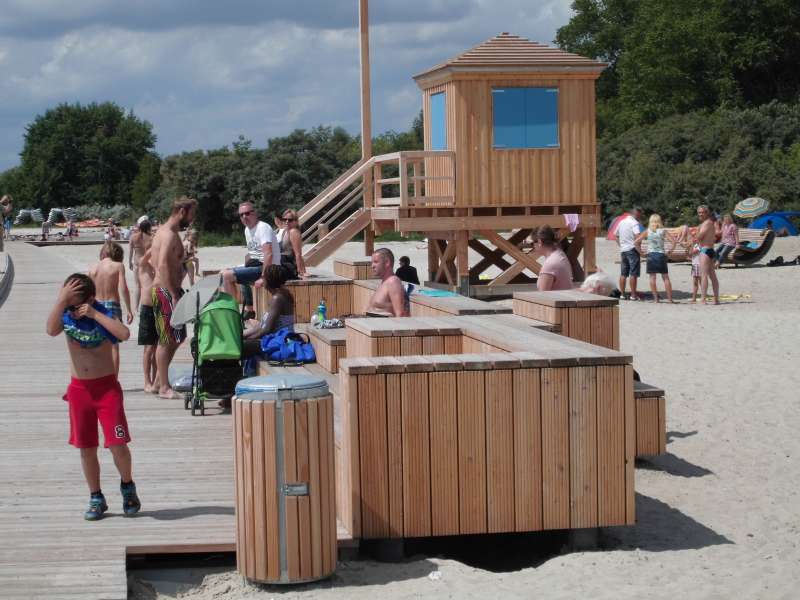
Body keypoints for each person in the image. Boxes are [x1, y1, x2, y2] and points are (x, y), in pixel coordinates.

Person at [45, 273, 141, 521]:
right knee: (86, 447)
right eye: (67, 300)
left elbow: (124, 334)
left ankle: (127, 486)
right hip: (79, 392)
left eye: (74, 301)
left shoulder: (103, 312)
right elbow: (50, 330)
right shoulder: (64, 315)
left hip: (106, 390)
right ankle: (96, 496)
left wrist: (94, 314)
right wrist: (61, 300)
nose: (70, 306)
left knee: (118, 443)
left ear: (88, 298)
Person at [150, 196, 197, 399]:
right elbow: (160, 265)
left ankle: (157, 381)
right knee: (167, 338)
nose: (192, 220)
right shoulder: (168, 234)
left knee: (178, 336)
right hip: (166, 292)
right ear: (182, 212)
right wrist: (172, 292)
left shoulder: (165, 232)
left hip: (169, 290)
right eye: (191, 214)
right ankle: (163, 387)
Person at [221, 202, 280, 320]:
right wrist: (244, 267)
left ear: (255, 213)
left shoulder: (262, 227)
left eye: (247, 213)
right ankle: (249, 309)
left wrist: (264, 277)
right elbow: (252, 254)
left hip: (270, 267)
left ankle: (233, 315)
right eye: (241, 214)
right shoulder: (247, 230)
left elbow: (268, 254)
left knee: (226, 276)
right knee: (224, 272)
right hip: (256, 264)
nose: (244, 217)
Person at [89, 242, 134, 374]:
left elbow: (87, 290)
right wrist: (129, 309)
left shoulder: (92, 268)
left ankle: (97, 377)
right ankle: (113, 380)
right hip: (112, 306)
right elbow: (123, 288)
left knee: (96, 344)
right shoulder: (118, 266)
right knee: (114, 347)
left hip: (96, 307)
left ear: (103, 252)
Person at [241, 265, 296, 358]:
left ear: (269, 280)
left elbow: (267, 330)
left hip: (280, 341)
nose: (262, 279)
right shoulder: (281, 294)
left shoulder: (277, 299)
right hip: (276, 338)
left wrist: (249, 339)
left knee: (240, 346)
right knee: (238, 341)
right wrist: (243, 335)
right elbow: (262, 326)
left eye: (263, 277)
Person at [636, 214, 674, 303]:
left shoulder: (647, 231)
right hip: (661, 255)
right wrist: (669, 251)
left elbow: (636, 242)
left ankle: (656, 299)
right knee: (665, 278)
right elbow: (674, 242)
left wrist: (641, 253)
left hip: (651, 255)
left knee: (652, 278)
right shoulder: (663, 231)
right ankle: (670, 299)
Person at [137, 249, 158, 393]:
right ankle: (147, 381)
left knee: (158, 348)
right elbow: (143, 259)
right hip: (147, 308)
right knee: (149, 348)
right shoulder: (144, 265)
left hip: (160, 307)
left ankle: (157, 379)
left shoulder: (160, 266)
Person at [367, 248, 409, 317]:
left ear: (387, 262)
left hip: (383, 326)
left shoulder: (393, 282)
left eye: (376, 262)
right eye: (372, 262)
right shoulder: (385, 282)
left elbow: (400, 314)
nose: (372, 266)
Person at [532, 225, 573, 291]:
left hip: (556, 300)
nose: (533, 246)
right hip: (564, 298)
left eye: (532, 243)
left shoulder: (550, 264)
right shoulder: (560, 254)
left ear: (539, 242)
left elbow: (543, 295)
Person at [694, 205, 720, 305]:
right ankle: (716, 299)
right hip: (710, 250)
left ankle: (703, 299)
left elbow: (700, 237)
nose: (700, 214)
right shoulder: (708, 223)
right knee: (712, 276)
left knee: (704, 275)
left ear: (707, 213)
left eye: (702, 212)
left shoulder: (707, 223)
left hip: (705, 250)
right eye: (699, 212)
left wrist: (695, 237)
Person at [615, 207, 643, 300]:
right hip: (632, 250)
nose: (641, 217)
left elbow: (616, 235)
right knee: (633, 273)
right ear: (637, 213)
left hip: (623, 250)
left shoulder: (621, 222)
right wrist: (641, 252)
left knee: (623, 273)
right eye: (640, 214)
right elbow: (637, 237)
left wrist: (621, 245)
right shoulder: (634, 223)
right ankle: (633, 295)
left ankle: (622, 294)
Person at [128, 218, 153, 312]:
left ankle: (136, 308)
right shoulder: (151, 237)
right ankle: (149, 305)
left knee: (137, 286)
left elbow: (130, 251)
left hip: (137, 263)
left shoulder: (133, 237)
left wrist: (129, 262)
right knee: (148, 285)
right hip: (147, 263)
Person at [277, 209, 307, 279]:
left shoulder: (294, 232)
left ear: (296, 221)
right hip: (283, 263)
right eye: (284, 219)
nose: (287, 221)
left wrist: (301, 271)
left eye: (290, 220)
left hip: (289, 266)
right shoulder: (285, 231)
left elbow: (298, 254)